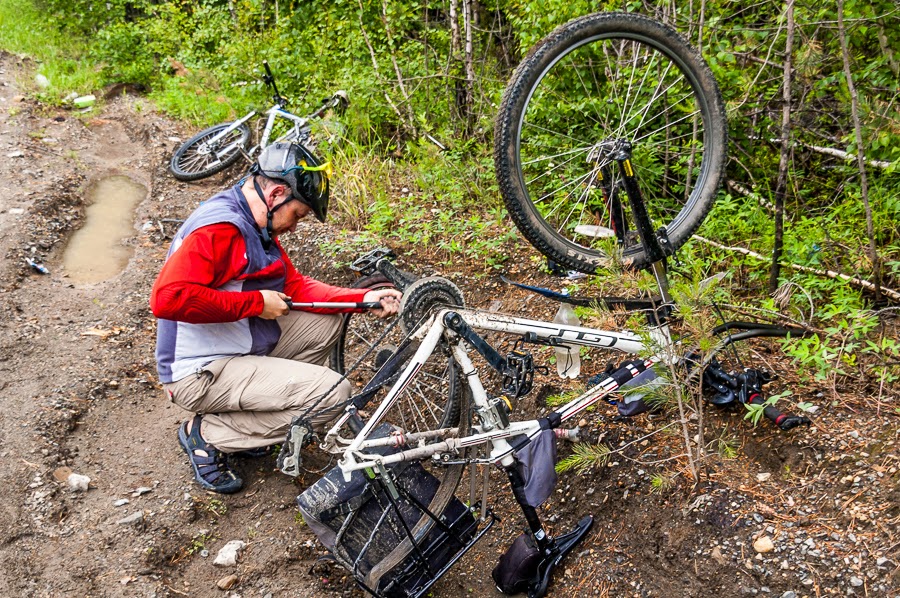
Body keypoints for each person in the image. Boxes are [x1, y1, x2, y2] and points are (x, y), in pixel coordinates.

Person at [150, 142, 402, 494]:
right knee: (334, 393)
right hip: (197, 373)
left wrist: (361, 299)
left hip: (237, 342)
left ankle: (257, 417)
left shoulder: (256, 223)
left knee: (328, 319)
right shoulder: (221, 228)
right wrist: (255, 304)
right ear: (277, 194)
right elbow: (166, 299)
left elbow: (294, 288)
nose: (296, 227)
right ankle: (208, 434)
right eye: (297, 215)